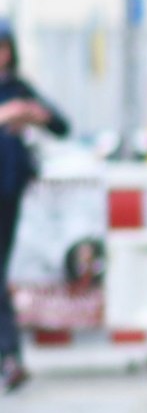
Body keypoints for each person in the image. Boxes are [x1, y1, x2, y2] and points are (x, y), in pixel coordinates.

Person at [0, 22, 71, 392]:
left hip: (8, 192)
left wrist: (32, 114)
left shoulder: (18, 89)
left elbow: (61, 124)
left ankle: (10, 357)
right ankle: (10, 356)